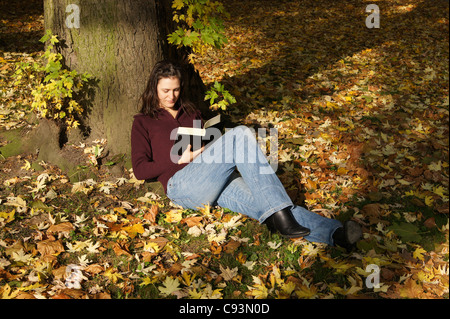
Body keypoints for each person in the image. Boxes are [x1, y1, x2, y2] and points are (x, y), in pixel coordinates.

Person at [131, 61, 362, 250]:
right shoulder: (143, 121)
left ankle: (336, 234)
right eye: (165, 91)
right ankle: (282, 217)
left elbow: (209, 147)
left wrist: (205, 149)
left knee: (267, 201)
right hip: (181, 186)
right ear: (154, 89)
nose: (171, 96)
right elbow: (141, 170)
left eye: (176, 90)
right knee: (240, 133)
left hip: (213, 178)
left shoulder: (192, 113)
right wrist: (178, 159)